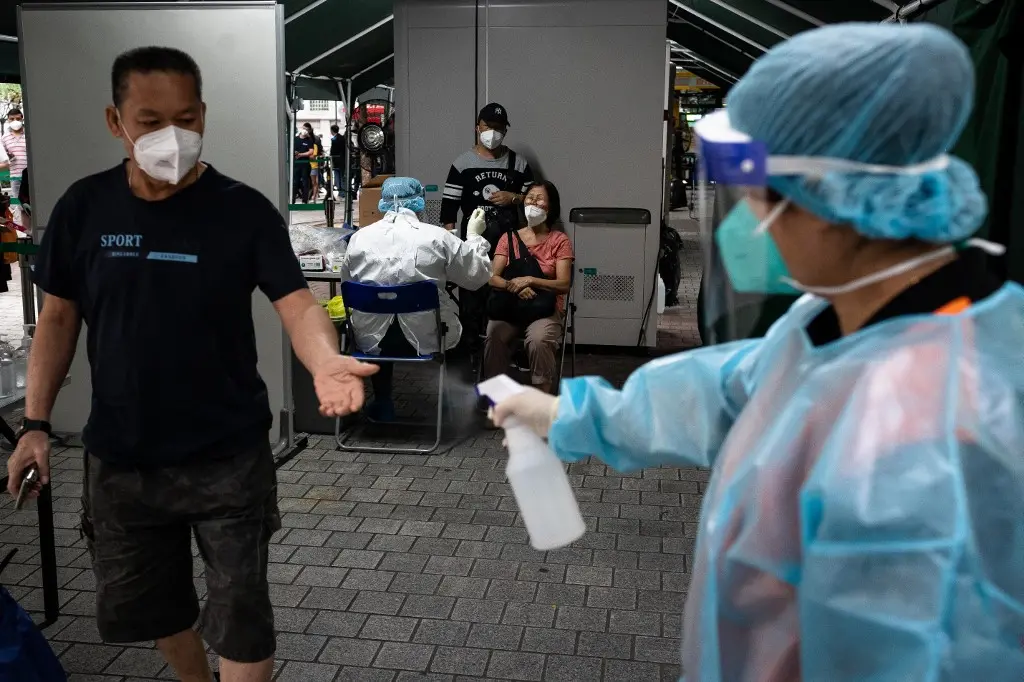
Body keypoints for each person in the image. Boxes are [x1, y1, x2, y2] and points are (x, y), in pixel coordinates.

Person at [493, 23, 1024, 680]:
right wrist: (563, 414)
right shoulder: (838, 318)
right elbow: (727, 392)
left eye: (759, 196)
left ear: (831, 198)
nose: (743, 220)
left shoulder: (932, 431)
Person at [5, 46, 378, 682]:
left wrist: (324, 361)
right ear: (115, 121)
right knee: (155, 607)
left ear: (203, 114)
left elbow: (296, 303)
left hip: (227, 454)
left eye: (185, 118)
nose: (171, 136)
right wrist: (35, 424)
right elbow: (59, 318)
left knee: (241, 615)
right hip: (123, 456)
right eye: (150, 121)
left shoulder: (242, 209)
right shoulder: (84, 208)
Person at [340, 177, 491, 422]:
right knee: (459, 338)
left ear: (383, 202)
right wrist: (474, 236)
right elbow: (477, 277)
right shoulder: (437, 237)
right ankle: (456, 406)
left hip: (373, 341)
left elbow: (347, 281)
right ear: (418, 201)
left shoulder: (359, 238)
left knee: (380, 322)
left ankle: (383, 404)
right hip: (428, 337)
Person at [441, 103, 535, 349]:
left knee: (504, 293)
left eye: (498, 128)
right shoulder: (463, 164)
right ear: (477, 128)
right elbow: (449, 208)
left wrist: (514, 198)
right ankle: (471, 346)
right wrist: (452, 245)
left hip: (508, 244)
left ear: (505, 130)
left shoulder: (518, 163)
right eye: (487, 126)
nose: (492, 132)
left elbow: (536, 200)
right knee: (472, 293)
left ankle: (501, 347)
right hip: (472, 243)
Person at [484, 181, 573, 394]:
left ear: (551, 206)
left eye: (539, 199)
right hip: (510, 307)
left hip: (545, 309)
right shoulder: (508, 238)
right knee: (494, 335)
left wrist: (531, 280)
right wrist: (514, 285)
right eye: (530, 198)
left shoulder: (559, 241)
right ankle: (494, 399)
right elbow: (492, 278)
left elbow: (564, 284)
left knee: (538, 340)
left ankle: (540, 401)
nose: (533, 203)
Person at [2, 108, 27, 229]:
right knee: (21, 207)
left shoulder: (29, 134)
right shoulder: (4, 138)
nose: (15, 121)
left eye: (17, 118)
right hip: (15, 177)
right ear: (8, 120)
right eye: (12, 119)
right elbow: (3, 158)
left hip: (30, 176)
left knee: (33, 205)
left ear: (22, 118)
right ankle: (28, 232)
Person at [293, 126, 313, 203]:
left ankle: (305, 200)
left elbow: (311, 151)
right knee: (295, 182)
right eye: (304, 129)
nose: (305, 131)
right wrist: (295, 153)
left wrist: (300, 155)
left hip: (305, 164)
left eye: (307, 130)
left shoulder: (309, 140)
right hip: (296, 164)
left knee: (305, 182)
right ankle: (292, 199)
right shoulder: (295, 139)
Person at [329, 123, 344, 197]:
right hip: (342, 160)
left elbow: (333, 151)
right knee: (341, 176)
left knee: (338, 176)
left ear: (332, 131)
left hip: (337, 160)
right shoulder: (342, 137)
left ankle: (341, 191)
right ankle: (341, 191)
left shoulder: (335, 139)